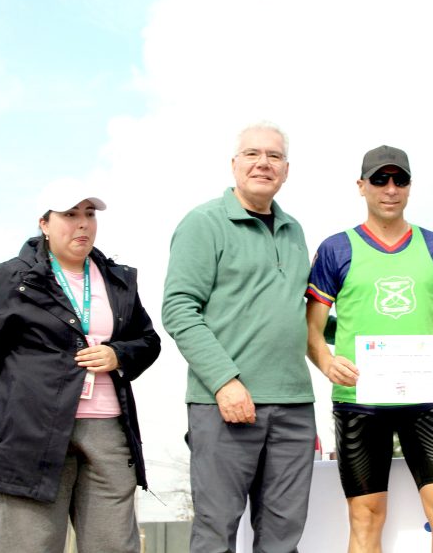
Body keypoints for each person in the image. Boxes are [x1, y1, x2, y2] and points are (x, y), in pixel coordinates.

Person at [0, 187, 161, 553]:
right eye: (70, 214)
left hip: (108, 432)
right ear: (44, 224)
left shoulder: (118, 280)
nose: (82, 223)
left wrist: (118, 355)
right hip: (29, 434)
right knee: (30, 546)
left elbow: (148, 341)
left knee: (114, 546)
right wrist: (4, 420)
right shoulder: (13, 277)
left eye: (89, 214)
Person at [306, 145, 433, 553]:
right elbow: (310, 330)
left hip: (425, 399)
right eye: (380, 179)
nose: (390, 188)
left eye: (399, 179)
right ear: (361, 186)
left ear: (410, 187)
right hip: (358, 400)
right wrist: (327, 362)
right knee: (365, 518)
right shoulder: (336, 249)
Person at [162, 121, 316, 553]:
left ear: (286, 170)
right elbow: (178, 309)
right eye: (252, 154)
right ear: (234, 164)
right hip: (223, 404)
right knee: (216, 533)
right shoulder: (203, 223)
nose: (263, 163)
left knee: (283, 537)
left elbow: (298, 314)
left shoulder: (295, 231)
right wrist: (225, 381)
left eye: (274, 156)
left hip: (293, 405)